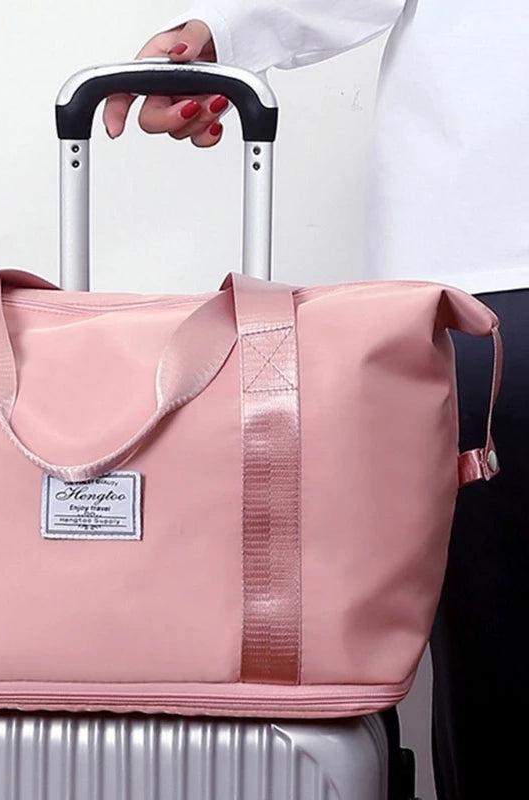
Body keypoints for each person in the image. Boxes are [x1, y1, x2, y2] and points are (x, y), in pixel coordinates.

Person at [104, 3, 529, 799]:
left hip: (484, 257)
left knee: (501, 664)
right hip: (486, 269)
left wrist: (226, 33)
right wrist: (223, 39)